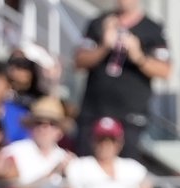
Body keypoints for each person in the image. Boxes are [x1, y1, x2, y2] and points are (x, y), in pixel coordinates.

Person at [72, 0, 171, 155]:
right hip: (94, 111)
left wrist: (138, 56)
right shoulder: (99, 23)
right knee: (88, 165)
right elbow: (79, 61)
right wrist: (104, 46)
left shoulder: (152, 29)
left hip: (131, 116)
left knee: (128, 169)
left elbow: (165, 71)